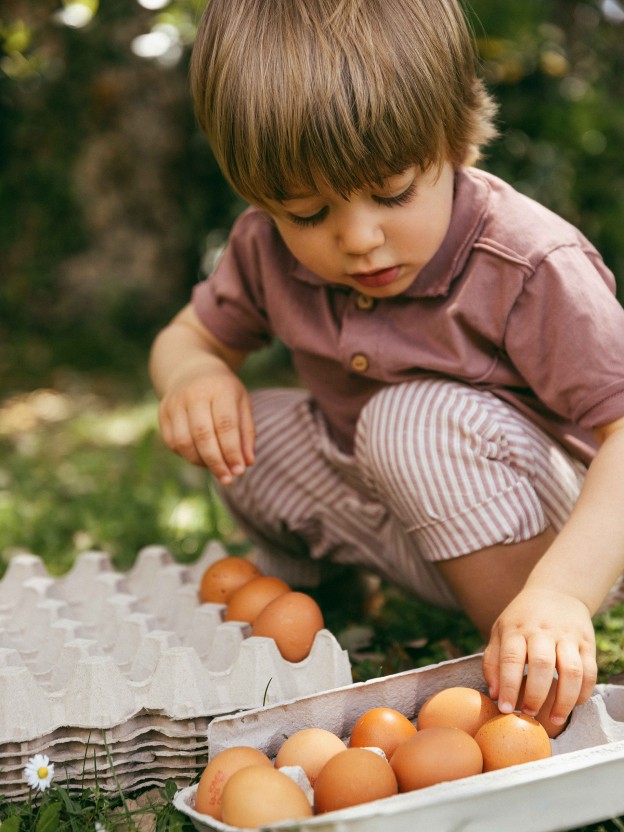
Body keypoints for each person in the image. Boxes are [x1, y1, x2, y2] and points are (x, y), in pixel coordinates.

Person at [149, 0, 624, 727]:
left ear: (457, 138)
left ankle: (530, 647)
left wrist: (563, 591)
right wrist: (195, 373)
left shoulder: (526, 262)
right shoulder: (263, 247)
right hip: (408, 516)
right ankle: (324, 603)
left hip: (556, 538)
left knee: (410, 421)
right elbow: (193, 334)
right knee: (253, 436)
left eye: (392, 192)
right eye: (307, 214)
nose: (360, 238)